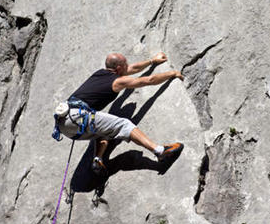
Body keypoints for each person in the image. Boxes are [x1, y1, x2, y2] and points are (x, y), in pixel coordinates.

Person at [54, 52, 183, 174]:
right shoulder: (117, 81)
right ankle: (159, 151)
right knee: (124, 124)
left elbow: (132, 68)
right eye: (126, 64)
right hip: (77, 117)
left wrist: (152, 61)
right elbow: (149, 80)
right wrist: (171, 73)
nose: (128, 66)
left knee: (104, 130)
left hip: (64, 125)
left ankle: (97, 160)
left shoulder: (100, 73)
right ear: (119, 68)